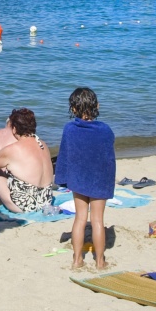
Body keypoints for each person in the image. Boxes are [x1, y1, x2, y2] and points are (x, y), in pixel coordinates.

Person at [55, 88, 115, 272]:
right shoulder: (105, 129)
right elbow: (108, 151)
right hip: (98, 177)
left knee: (80, 218)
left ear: (73, 109)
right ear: (97, 105)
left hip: (79, 177)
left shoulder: (69, 129)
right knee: (97, 220)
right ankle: (100, 262)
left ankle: (77, 260)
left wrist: (63, 177)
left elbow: (65, 154)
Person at [0, 108, 54, 213]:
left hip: (25, 206)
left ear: (14, 129)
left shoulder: (12, 149)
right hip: (46, 200)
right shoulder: (43, 144)